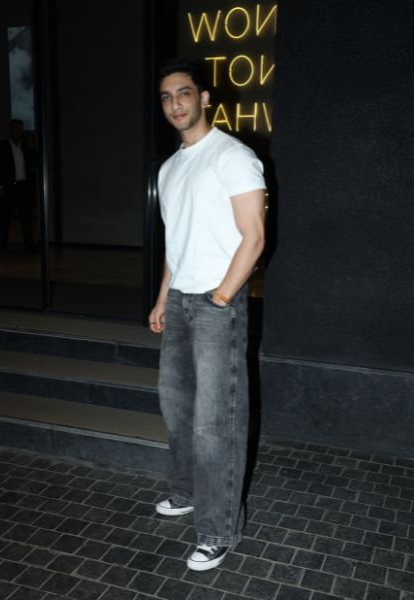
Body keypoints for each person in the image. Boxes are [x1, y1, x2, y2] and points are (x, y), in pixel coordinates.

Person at [149, 59, 267, 571]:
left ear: (204, 98)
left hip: (218, 303)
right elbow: (176, 245)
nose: (175, 104)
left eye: (183, 93)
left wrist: (221, 298)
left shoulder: (233, 156)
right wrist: (163, 298)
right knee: (177, 410)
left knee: (214, 424)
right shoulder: (169, 169)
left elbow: (254, 237)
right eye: (166, 97)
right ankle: (185, 491)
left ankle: (218, 530)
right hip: (179, 300)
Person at [0, 118, 38, 251]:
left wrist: (32, 147)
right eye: (17, 128)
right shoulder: (1, 146)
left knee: (26, 217)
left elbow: (36, 162)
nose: (19, 131)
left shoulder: (25, 148)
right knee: (5, 217)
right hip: (8, 186)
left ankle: (29, 245)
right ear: (11, 130)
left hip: (23, 186)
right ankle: (3, 245)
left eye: (21, 129)